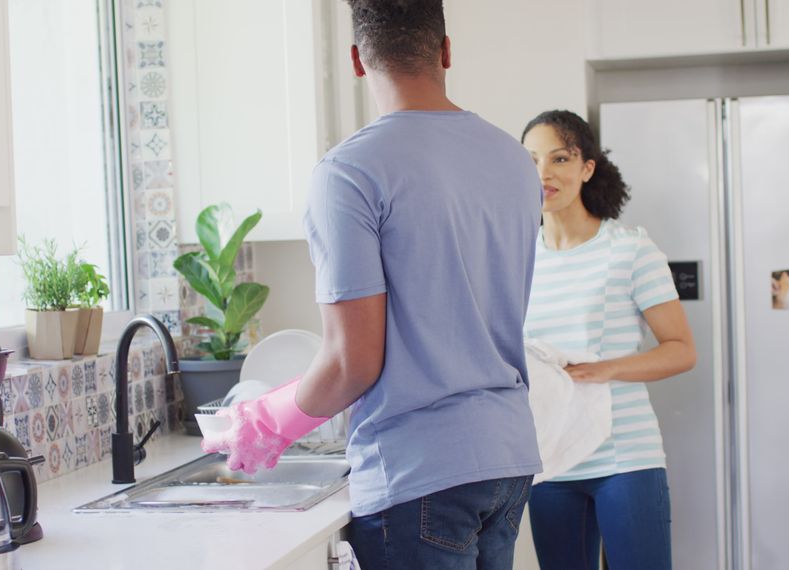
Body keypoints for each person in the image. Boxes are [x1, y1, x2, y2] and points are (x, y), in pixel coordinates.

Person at [201, 1, 545, 567]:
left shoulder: (351, 171)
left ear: (358, 61)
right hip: (507, 457)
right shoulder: (514, 160)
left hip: (420, 471)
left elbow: (351, 362)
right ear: (446, 50)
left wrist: (268, 421)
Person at [519, 110, 697, 570]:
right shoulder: (517, 258)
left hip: (626, 457)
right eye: (532, 160)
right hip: (551, 459)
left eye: (559, 158)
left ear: (586, 167)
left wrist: (607, 368)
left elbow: (681, 349)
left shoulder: (630, 249)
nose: (544, 173)